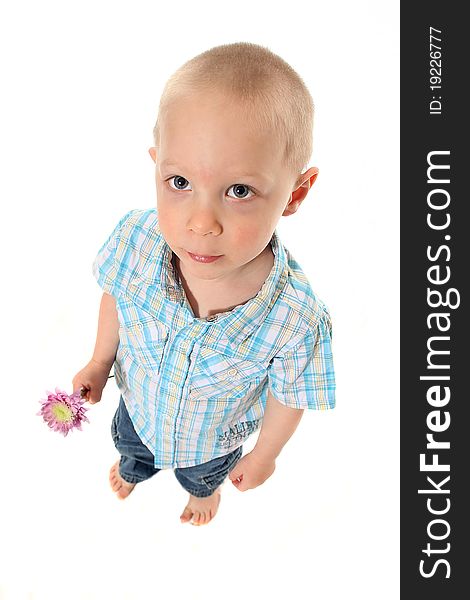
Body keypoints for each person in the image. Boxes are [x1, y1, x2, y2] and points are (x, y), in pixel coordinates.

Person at [72, 42, 336, 526]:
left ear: (294, 194)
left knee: (202, 473)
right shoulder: (138, 241)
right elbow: (118, 299)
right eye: (179, 183)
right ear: (157, 165)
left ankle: (200, 491)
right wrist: (98, 361)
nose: (201, 222)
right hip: (138, 406)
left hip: (211, 440)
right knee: (130, 446)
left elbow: (290, 396)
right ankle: (135, 470)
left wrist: (263, 456)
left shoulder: (296, 319)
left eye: (239, 191)